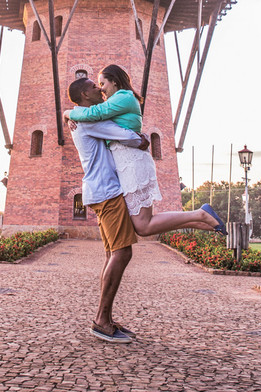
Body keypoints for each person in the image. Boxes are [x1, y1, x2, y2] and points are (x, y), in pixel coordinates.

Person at [67, 65, 226, 238]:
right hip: (126, 164)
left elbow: (97, 114)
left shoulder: (123, 96)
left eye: (102, 83)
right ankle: (206, 221)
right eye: (97, 85)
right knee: (142, 225)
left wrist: (69, 113)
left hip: (132, 162)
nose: (101, 89)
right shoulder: (118, 100)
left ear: (114, 81)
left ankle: (201, 214)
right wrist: (68, 115)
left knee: (143, 226)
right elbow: (100, 117)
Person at [64, 83, 151, 344]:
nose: (99, 88)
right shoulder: (90, 121)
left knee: (112, 254)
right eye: (92, 86)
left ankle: (106, 318)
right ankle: (102, 320)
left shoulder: (84, 117)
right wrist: (142, 140)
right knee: (122, 252)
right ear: (83, 96)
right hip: (107, 192)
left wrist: (67, 113)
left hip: (100, 191)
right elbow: (123, 134)